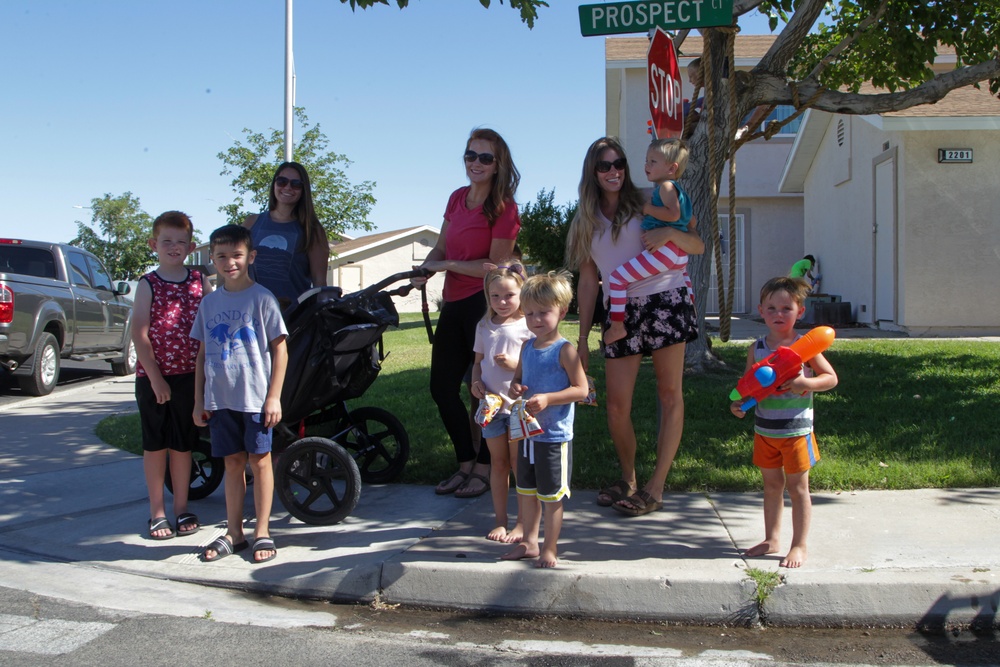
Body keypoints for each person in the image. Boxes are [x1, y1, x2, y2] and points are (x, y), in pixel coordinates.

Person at [565, 137, 704, 517]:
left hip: (665, 299)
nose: (613, 171)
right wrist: (581, 339)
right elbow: (589, 280)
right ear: (592, 172)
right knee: (615, 406)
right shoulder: (584, 220)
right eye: (604, 165)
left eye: (619, 163)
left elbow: (697, 243)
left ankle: (655, 488)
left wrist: (671, 233)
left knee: (669, 392)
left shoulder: (649, 200)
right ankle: (628, 479)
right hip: (620, 312)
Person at [413, 128, 521, 499]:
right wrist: (422, 271)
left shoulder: (504, 207)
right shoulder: (457, 199)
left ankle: (487, 467)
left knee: (484, 390)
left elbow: (497, 267)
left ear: (497, 164)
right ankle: (465, 462)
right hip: (453, 302)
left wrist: (447, 263)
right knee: (442, 387)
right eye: (470, 155)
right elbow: (440, 246)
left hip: (483, 304)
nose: (476, 163)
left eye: (485, 158)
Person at [192, 225, 288, 563]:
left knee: (259, 462)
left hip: (255, 399)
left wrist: (273, 397)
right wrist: (198, 400)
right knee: (232, 464)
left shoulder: (262, 298)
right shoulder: (209, 304)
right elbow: (202, 354)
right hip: (221, 399)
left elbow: (281, 351)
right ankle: (235, 533)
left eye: (236, 255)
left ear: (251, 257)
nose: (229, 262)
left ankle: (262, 531)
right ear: (211, 258)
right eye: (221, 256)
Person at [730, 277, 838, 568]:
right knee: (771, 486)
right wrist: (738, 404)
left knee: (798, 488)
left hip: (796, 430)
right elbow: (748, 386)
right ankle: (771, 539)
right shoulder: (757, 348)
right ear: (761, 311)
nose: (779, 314)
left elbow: (831, 379)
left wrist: (805, 382)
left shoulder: (804, 348)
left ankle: (799, 545)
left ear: (800, 312)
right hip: (765, 429)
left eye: (786, 309)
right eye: (772, 308)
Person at [132, 211, 213, 540]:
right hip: (155, 379)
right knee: (156, 446)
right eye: (167, 241)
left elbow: (211, 325)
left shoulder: (199, 280)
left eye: (181, 242)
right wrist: (155, 378)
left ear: (191, 246)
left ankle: (181, 507)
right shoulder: (147, 283)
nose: (174, 247)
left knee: (182, 445)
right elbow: (139, 334)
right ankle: (157, 512)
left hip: (190, 379)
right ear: (154, 244)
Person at [502, 271, 588, 567]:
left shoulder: (565, 350)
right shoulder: (527, 347)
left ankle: (550, 547)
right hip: (527, 434)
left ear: (562, 312)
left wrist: (549, 398)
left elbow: (582, 389)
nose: (536, 319)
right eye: (530, 314)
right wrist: (516, 386)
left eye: (544, 313)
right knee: (526, 491)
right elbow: (518, 378)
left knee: (551, 497)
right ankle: (529, 542)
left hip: (553, 437)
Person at [604, 138, 693, 345]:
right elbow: (690, 219)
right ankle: (690, 310)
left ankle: (617, 327)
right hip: (679, 253)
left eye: (653, 161)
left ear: (672, 168)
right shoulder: (680, 191)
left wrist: (646, 209)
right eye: (646, 160)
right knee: (685, 280)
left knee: (617, 279)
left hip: (664, 250)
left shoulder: (666, 187)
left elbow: (673, 214)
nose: (646, 165)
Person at [470, 262, 532, 543]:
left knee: (519, 464)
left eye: (509, 295)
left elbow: (536, 364)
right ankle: (500, 520)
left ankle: (522, 522)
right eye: (495, 296)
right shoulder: (483, 325)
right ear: (487, 297)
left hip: (518, 408)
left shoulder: (528, 324)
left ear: (521, 294)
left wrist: (513, 364)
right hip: (492, 408)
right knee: (498, 463)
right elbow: (478, 362)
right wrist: (475, 383)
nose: (502, 302)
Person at [242, 161, 329, 310]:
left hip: (291, 318)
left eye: (296, 184)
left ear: (303, 190)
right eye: (282, 181)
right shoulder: (251, 222)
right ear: (274, 184)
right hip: (249, 312)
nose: (287, 187)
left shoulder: (312, 230)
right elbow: (232, 267)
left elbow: (319, 283)